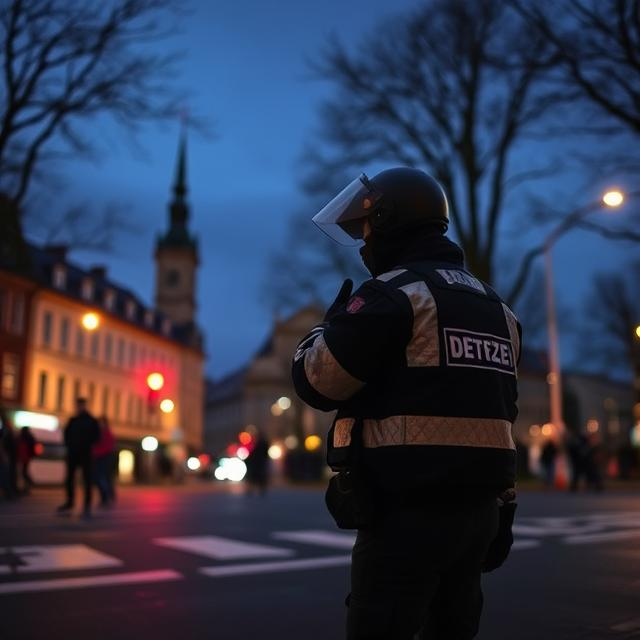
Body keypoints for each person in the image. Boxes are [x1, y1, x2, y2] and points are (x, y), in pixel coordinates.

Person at [292, 168, 521, 640]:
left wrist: (325, 329)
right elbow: (501, 412)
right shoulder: (500, 310)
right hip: (481, 516)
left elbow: (318, 383)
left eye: (368, 228)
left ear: (392, 221)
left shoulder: (395, 296)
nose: (363, 242)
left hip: (404, 517)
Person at [57, 397, 100, 517]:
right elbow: (66, 435)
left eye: (80, 405)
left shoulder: (90, 421)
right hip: (74, 453)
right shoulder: (74, 420)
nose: (78, 407)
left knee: (86, 480)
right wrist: (70, 445)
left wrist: (85, 444)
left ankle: (86, 505)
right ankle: (70, 502)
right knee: (70, 478)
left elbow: (96, 437)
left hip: (85, 454)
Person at [93, 416, 116, 506]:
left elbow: (108, 447)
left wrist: (96, 452)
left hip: (105, 459)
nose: (100, 425)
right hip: (99, 458)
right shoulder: (98, 433)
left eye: (102, 423)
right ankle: (105, 496)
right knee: (100, 479)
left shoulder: (107, 434)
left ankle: (106, 496)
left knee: (103, 478)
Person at [245, 432, 271, 496]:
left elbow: (255, 454)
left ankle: (257, 490)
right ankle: (258, 490)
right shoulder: (259, 445)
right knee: (257, 477)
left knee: (256, 477)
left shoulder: (259, 445)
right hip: (258, 463)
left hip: (258, 463)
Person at [16, 426, 37, 494]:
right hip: (26, 456)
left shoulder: (24, 437)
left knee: (24, 472)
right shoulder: (30, 437)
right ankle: (27, 486)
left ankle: (29, 484)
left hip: (24, 456)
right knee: (24, 471)